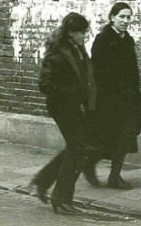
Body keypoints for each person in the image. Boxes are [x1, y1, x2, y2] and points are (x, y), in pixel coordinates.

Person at [31, 12, 99, 215]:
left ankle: (43, 181)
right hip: (62, 107)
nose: (84, 36)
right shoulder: (58, 54)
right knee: (77, 147)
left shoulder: (77, 49)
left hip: (75, 106)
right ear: (71, 33)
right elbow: (45, 84)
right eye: (81, 33)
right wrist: (72, 93)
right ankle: (61, 198)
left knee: (76, 146)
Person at [89, 2, 141, 190]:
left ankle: (114, 177)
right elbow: (99, 72)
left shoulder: (127, 40)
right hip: (110, 100)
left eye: (128, 17)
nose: (126, 21)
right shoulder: (103, 40)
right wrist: (113, 93)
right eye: (122, 16)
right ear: (112, 17)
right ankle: (89, 163)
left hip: (128, 99)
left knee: (125, 138)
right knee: (107, 140)